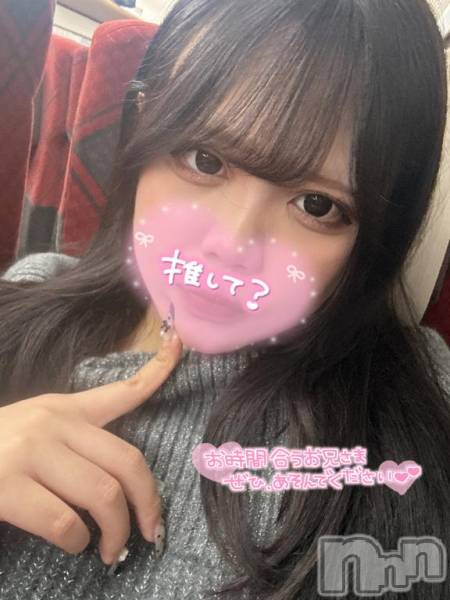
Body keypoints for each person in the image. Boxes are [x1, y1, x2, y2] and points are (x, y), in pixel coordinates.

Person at [0, 0, 449, 598]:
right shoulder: (27, 297)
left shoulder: (414, 395)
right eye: (204, 159)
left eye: (317, 205)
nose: (231, 246)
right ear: (142, 124)